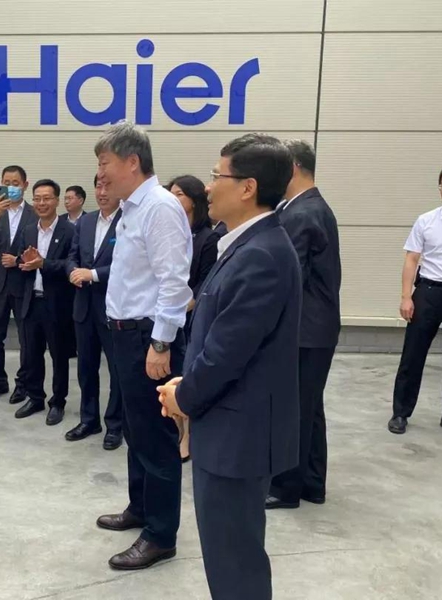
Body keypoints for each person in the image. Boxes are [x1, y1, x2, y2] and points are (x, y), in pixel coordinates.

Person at [158, 133, 300, 600]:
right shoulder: (243, 244)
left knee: (234, 561)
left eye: (217, 175)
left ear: (247, 188)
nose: (208, 186)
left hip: (239, 436)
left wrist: (183, 395)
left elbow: (227, 354)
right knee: (228, 554)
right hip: (229, 424)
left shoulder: (261, 254)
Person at [93, 121, 192, 571]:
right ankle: (141, 507)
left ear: (132, 162)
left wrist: (161, 343)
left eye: (105, 163)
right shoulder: (132, 208)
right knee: (136, 430)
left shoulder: (160, 208)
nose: (101, 174)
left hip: (148, 337)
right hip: (124, 334)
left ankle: (160, 535)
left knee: (156, 437)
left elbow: (174, 283)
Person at [267, 140, 342, 510]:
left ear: (294, 166)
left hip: (304, 328)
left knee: (293, 409)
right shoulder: (310, 206)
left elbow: (288, 276)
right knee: (309, 407)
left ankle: (285, 488)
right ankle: (312, 482)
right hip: (318, 326)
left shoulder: (301, 212)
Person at [389, 162, 442, 440]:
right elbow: (411, 259)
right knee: (413, 355)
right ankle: (400, 413)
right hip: (429, 292)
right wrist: (406, 296)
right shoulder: (426, 220)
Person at [65, 174, 123, 450]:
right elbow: (72, 255)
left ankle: (115, 425)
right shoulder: (86, 221)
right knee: (86, 368)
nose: (102, 192)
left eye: (108, 186)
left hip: (114, 309)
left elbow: (129, 265)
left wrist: (94, 274)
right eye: (98, 186)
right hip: (84, 307)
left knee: (117, 370)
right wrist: (72, 271)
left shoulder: (128, 221)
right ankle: (89, 419)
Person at [167, 175, 220, 463]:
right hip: (169, 315)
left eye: (179, 194)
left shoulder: (208, 238)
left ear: (194, 199)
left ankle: (187, 435)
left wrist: (185, 305)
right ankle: (175, 429)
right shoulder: (171, 231)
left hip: (191, 315)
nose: (173, 198)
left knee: (187, 374)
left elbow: (205, 282)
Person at [13, 179, 75, 426]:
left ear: (57, 200)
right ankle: (35, 397)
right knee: (31, 354)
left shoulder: (69, 230)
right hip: (31, 301)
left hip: (57, 304)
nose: (41, 203)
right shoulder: (28, 230)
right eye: (37, 198)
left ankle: (58, 402)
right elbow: (21, 259)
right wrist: (24, 262)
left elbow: (72, 264)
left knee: (59, 356)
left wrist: (44, 264)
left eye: (46, 198)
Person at [0, 165, 37, 403]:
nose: (11, 187)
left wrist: (19, 260)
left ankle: (22, 384)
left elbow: (39, 248)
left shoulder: (35, 214)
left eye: (16, 183)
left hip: (23, 282)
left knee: (26, 338)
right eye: (7, 182)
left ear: (25, 185)